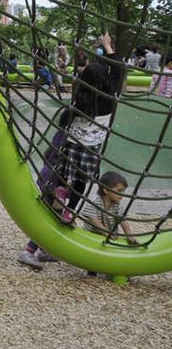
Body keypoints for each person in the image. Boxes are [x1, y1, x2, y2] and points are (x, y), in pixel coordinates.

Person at [17, 33, 125, 270]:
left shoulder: (79, 105)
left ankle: (41, 247)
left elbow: (63, 125)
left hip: (68, 158)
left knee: (56, 201)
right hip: (87, 160)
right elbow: (118, 71)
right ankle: (32, 248)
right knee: (71, 199)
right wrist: (107, 46)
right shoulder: (111, 98)